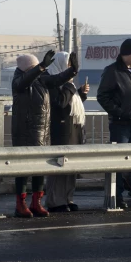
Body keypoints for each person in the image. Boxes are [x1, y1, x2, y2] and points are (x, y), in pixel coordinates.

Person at [11, 51, 78, 218]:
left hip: (42, 132)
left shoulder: (42, 79)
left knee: (39, 169)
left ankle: (36, 203)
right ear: (26, 68)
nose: (38, 70)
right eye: (33, 67)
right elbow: (24, 82)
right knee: (23, 171)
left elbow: (57, 80)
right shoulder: (19, 80)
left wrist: (73, 71)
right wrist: (40, 67)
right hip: (24, 133)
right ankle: (20, 205)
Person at [97, 38, 131, 208]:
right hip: (121, 124)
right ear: (126, 54)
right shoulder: (112, 71)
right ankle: (117, 196)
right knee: (119, 160)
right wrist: (119, 112)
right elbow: (102, 96)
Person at [44, 52, 89, 212]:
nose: (70, 68)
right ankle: (56, 200)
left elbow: (71, 106)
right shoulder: (53, 81)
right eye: (68, 64)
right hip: (61, 129)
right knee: (59, 165)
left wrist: (81, 94)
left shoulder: (67, 83)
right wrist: (71, 87)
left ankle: (68, 198)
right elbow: (60, 103)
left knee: (71, 166)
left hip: (73, 127)